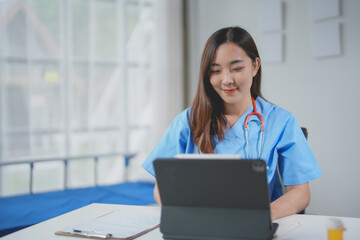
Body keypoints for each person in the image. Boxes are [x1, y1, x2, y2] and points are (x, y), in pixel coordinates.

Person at [142, 26, 322, 220]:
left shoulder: (281, 122)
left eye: (236, 68)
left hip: (255, 227)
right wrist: (190, 215)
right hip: (199, 226)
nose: (227, 80)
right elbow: (162, 188)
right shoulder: (188, 120)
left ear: (254, 66)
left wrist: (261, 216)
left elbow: (300, 192)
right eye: (215, 71)